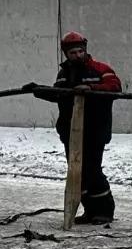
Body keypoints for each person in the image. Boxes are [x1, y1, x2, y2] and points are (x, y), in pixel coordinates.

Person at [29, 31, 123, 224]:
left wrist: (92, 90)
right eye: (73, 53)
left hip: (95, 131)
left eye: (80, 51)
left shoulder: (101, 70)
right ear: (66, 54)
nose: (77, 55)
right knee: (76, 172)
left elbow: (115, 88)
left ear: (85, 50)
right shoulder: (64, 74)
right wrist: (38, 90)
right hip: (70, 132)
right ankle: (89, 211)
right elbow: (58, 94)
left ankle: (104, 211)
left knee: (92, 170)